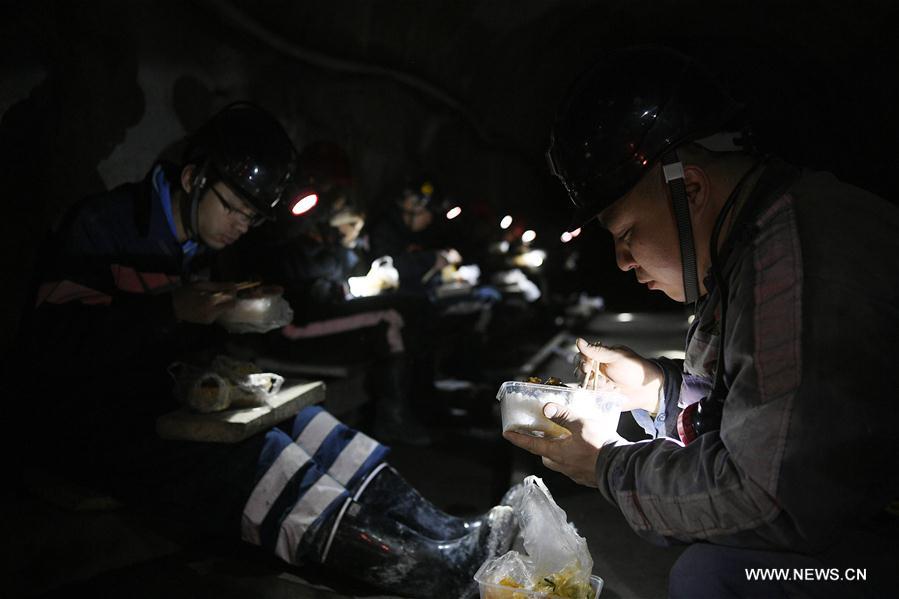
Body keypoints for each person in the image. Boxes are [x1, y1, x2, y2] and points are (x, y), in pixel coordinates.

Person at [16, 102, 516, 598]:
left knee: (310, 424)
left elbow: (182, 342)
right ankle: (427, 569)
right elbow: (55, 348)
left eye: (251, 217)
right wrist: (170, 311)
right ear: (193, 178)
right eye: (233, 208)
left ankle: (444, 534)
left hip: (165, 399)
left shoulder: (199, 247)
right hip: (96, 423)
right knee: (262, 455)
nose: (240, 225)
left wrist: (222, 326)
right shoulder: (104, 225)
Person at [503, 46, 898, 598]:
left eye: (625, 234)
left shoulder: (798, 263)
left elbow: (764, 495)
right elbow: (762, 406)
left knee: (718, 577)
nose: (621, 260)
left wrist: (608, 465)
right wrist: (656, 389)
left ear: (688, 190)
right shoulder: (760, 237)